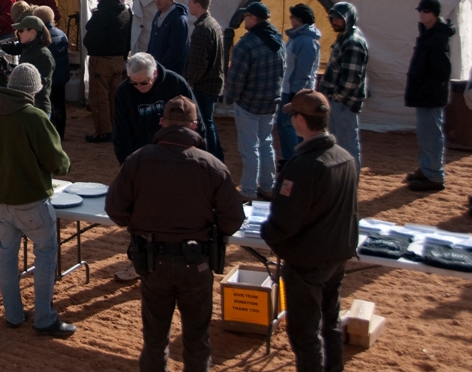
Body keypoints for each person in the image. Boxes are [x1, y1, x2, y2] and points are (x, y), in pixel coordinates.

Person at [105, 96, 245, 372]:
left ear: (162, 122)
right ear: (194, 125)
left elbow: (115, 209)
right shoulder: (212, 166)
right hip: (197, 263)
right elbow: (233, 219)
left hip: (152, 262)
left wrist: (141, 223)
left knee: (155, 339)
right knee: (197, 339)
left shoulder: (138, 159)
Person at [0, 63, 74, 337]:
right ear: (33, 91)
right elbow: (58, 162)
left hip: (1, 199)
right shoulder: (34, 117)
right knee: (45, 254)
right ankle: (44, 318)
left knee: (7, 255)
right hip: (32, 201)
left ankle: (13, 314)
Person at [261, 90, 358, 372]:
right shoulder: (344, 158)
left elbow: (286, 220)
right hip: (336, 255)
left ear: (301, 120)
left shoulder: (304, 166)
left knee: (305, 334)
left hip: (307, 260)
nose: (291, 120)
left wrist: (269, 234)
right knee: (330, 323)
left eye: (293, 115)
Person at [226, 2, 286, 201]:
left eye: (246, 17)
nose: (244, 20)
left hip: (249, 102)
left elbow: (236, 77)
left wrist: (233, 96)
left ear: (253, 18)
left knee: (249, 147)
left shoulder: (247, 43)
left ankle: (249, 190)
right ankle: (268, 186)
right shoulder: (277, 40)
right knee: (266, 143)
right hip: (270, 101)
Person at [404, 0, 455, 192]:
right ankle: (427, 169)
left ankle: (434, 174)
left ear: (435, 14)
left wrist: (425, 90)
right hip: (426, 95)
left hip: (430, 96)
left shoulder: (437, 38)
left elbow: (441, 72)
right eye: (420, 10)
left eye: (425, 11)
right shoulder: (429, 34)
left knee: (431, 134)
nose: (421, 14)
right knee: (426, 134)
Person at [113, 52, 197, 164]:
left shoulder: (175, 83)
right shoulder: (123, 91)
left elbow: (195, 120)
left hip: (176, 156)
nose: (139, 87)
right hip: (141, 157)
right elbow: (121, 131)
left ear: (155, 73)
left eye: (144, 83)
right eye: (134, 83)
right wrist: (127, 162)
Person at [318, 2, 368, 173]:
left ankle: (351, 180)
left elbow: (352, 79)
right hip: (338, 101)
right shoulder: (345, 37)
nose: (335, 22)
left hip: (344, 103)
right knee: (339, 143)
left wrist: (336, 97)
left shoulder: (353, 42)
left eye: (339, 18)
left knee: (347, 144)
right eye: (333, 18)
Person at [83, 0, 130, 143]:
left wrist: (91, 46)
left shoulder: (103, 12)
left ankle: (103, 131)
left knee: (99, 97)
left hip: (102, 59)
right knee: (114, 96)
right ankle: (114, 128)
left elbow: (93, 34)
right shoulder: (124, 11)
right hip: (118, 59)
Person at [183, 0, 225, 161]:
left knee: (205, 124)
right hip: (212, 83)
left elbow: (199, 61)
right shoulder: (213, 24)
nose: (188, 5)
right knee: (207, 122)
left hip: (204, 85)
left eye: (190, 2)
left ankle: (212, 158)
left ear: (198, 4)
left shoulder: (202, 29)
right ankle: (215, 157)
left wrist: (190, 81)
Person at [277, 4, 321, 165]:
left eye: (292, 17)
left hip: (294, 90)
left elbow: (304, 70)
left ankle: (293, 159)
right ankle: (293, 157)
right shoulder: (297, 38)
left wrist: (296, 94)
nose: (290, 20)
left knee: (288, 124)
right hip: (289, 88)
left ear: (300, 20)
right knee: (287, 124)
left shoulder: (306, 41)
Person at [32, 5, 70, 139]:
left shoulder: (41, 37)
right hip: (62, 76)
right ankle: (61, 133)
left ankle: (49, 133)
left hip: (47, 78)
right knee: (60, 105)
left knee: (46, 104)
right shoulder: (61, 34)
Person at [11, 15, 54, 114]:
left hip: (39, 108)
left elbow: (42, 83)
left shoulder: (43, 54)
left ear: (32, 32)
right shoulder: (28, 50)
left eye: (21, 30)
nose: (19, 34)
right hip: (26, 105)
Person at [146, 0, 191, 76]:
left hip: (170, 71)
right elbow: (152, 42)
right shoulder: (158, 15)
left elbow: (177, 49)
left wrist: (161, 66)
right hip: (155, 68)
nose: (157, 0)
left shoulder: (179, 19)